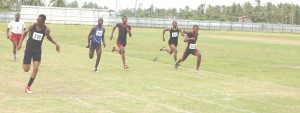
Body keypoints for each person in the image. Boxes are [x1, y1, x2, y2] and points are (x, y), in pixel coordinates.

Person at [17, 14, 60, 94]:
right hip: (28, 49)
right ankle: (25, 55)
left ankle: (28, 87)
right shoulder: (32, 26)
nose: (38, 22)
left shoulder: (46, 29)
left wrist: (56, 44)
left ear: (43, 21)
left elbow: (49, 37)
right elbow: (24, 33)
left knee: (36, 68)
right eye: (37, 20)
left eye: (40, 21)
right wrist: (20, 44)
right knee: (26, 69)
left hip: (37, 50)